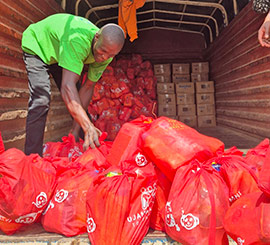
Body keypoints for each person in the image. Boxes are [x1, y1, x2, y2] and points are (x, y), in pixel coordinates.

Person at [21, 13, 125, 156]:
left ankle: (84, 149)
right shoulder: (78, 40)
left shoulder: (107, 51)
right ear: (96, 38)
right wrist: (88, 126)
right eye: (103, 51)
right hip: (38, 46)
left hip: (60, 52)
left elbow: (88, 87)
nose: (104, 58)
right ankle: (32, 157)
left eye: (110, 55)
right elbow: (67, 87)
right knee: (41, 100)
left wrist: (76, 130)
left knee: (78, 102)